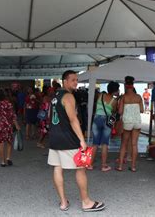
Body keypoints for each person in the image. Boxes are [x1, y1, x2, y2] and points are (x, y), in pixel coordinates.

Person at [48, 70, 105, 212]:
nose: (76, 82)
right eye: (72, 80)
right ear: (65, 81)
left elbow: (51, 116)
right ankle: (86, 202)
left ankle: (63, 203)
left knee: (57, 167)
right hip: (68, 137)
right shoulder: (68, 97)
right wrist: (82, 140)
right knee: (81, 168)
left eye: (76, 80)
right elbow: (73, 120)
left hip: (55, 137)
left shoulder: (54, 96)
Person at [91, 82, 119, 172]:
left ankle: (90, 164)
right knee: (105, 143)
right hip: (107, 121)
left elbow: (95, 105)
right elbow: (114, 111)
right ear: (115, 91)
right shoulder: (114, 101)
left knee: (95, 143)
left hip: (96, 119)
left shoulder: (100, 95)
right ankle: (103, 166)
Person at [117, 76, 143, 172]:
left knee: (124, 144)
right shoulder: (139, 97)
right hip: (137, 121)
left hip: (127, 121)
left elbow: (120, 112)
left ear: (125, 85)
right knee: (134, 144)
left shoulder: (123, 97)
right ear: (133, 85)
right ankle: (133, 167)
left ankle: (120, 166)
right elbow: (142, 110)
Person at [0, 89, 21, 167]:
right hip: (8, 125)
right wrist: (17, 125)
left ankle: (2, 162)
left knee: (1, 143)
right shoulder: (9, 104)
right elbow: (13, 115)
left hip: (0, 125)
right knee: (9, 142)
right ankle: (8, 158)